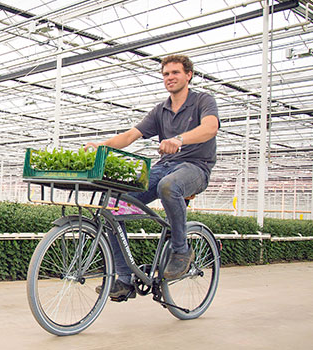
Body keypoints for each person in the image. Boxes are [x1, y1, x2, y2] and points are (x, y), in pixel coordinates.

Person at [85, 54, 219, 301]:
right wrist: (100, 146)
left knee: (169, 186)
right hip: (164, 166)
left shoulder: (202, 101)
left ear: (188, 75)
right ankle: (124, 279)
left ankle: (181, 250)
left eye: (175, 73)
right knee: (115, 204)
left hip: (196, 167)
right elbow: (129, 136)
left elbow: (210, 128)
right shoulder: (161, 110)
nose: (170, 78)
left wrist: (179, 139)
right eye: (166, 74)